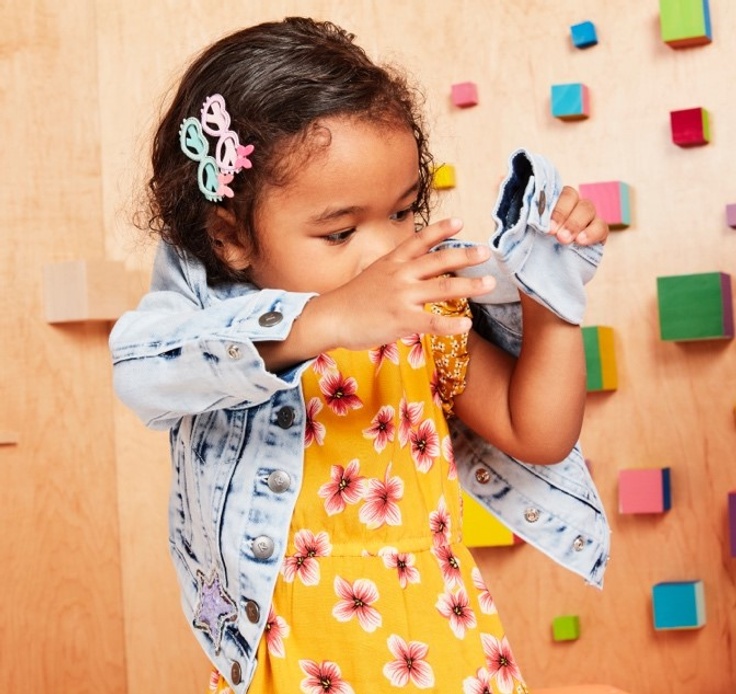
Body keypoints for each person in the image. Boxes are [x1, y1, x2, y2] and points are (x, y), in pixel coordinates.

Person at [110, 16, 611, 694]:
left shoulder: (424, 313)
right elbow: (142, 371)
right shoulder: (214, 330)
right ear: (229, 235)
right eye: (341, 230)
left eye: (404, 213)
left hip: (437, 631)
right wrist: (329, 320)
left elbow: (538, 434)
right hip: (295, 644)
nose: (383, 250)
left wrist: (553, 302)